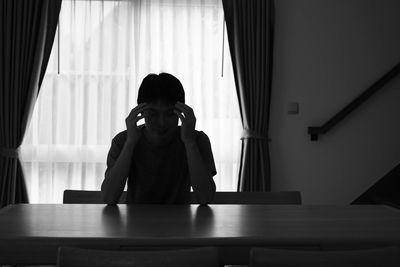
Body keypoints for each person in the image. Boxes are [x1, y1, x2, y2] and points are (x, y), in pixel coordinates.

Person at [101, 73, 216, 205]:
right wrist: (130, 143)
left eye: (169, 114)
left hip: (181, 223)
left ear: (182, 112)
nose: (161, 123)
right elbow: (109, 198)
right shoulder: (123, 140)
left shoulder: (197, 140)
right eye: (153, 114)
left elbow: (206, 197)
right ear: (140, 112)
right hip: (135, 223)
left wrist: (189, 143)